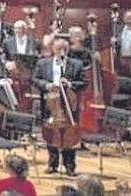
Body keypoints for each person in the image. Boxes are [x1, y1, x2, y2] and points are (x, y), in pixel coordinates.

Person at [34, 36, 86, 177]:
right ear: (53, 49)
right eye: (58, 49)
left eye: (64, 49)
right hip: (50, 104)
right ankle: (53, 163)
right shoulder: (43, 63)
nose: (61, 52)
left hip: (70, 103)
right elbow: (35, 79)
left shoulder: (76, 64)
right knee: (50, 132)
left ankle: (70, 166)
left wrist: (70, 84)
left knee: (70, 133)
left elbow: (83, 83)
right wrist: (46, 85)